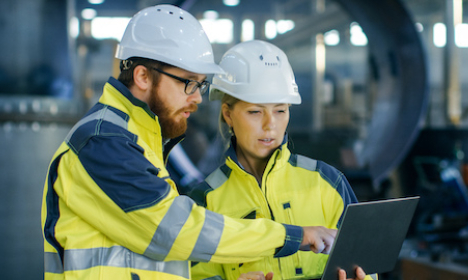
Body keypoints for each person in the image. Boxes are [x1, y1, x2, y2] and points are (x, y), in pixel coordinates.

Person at [41, 5, 342, 280]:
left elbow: (152, 263)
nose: (197, 97)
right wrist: (290, 236)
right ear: (143, 76)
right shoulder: (103, 141)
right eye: (188, 82)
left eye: (200, 84)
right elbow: (174, 232)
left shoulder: (140, 141)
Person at [188, 40, 378, 280]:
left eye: (280, 110)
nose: (270, 125)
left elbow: (365, 264)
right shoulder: (205, 202)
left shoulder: (328, 183)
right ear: (228, 114)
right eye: (255, 112)